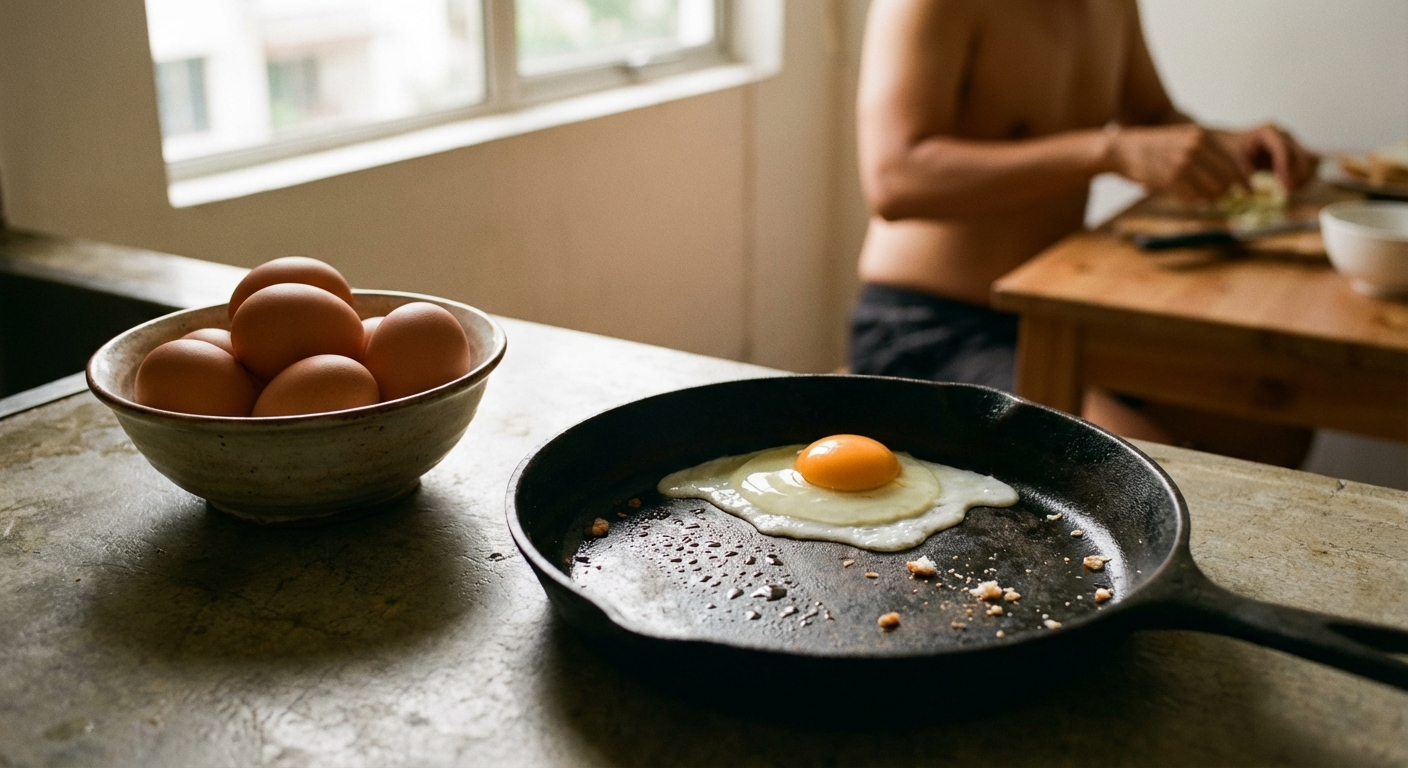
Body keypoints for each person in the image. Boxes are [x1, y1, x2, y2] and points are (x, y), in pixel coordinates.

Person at [849, 0, 1319, 457]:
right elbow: (895, 178)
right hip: (929, 326)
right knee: (1132, 467)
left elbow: (1152, 121)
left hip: (1062, 316)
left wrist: (1232, 149)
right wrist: (1108, 150)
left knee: (1275, 422)